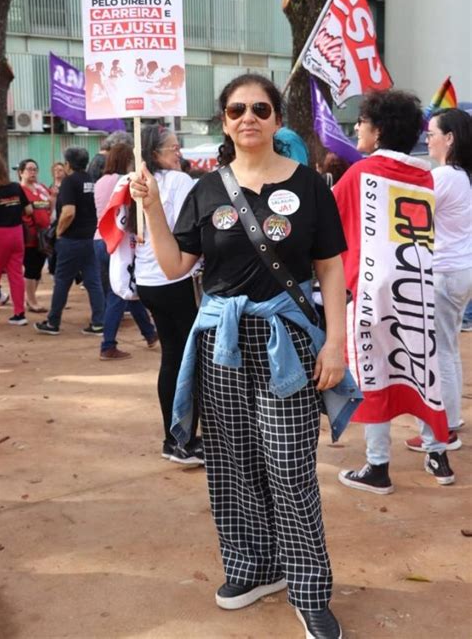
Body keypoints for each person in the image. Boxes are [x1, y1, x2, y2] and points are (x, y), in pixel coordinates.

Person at [130, 74, 351, 639]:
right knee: (230, 467)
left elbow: (330, 268)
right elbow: (178, 266)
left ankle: (309, 588)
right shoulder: (207, 190)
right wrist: (152, 208)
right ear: (223, 121)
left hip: (288, 340)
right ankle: (253, 567)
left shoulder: (309, 185)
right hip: (221, 344)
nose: (247, 117)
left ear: (277, 118)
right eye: (235, 110)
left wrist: (334, 342)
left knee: (289, 466)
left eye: (259, 108)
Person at [333, 89, 452, 493]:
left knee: (375, 372)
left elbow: (330, 225)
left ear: (379, 130)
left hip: (372, 290)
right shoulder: (423, 174)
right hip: (418, 284)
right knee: (422, 365)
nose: (355, 130)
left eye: (361, 123)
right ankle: (438, 451)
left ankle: (378, 466)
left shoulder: (360, 174)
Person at [132, 125, 201, 466]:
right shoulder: (179, 182)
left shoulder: (132, 181)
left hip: (146, 280)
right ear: (155, 152)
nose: (179, 153)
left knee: (172, 358)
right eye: (173, 148)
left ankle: (174, 438)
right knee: (187, 361)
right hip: (176, 278)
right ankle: (183, 441)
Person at [405, 108, 472, 451]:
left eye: (431, 134)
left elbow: (412, 211)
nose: (426, 139)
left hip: (445, 272)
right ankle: (451, 420)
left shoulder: (446, 176)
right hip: (458, 270)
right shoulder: (461, 175)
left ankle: (443, 428)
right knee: (448, 349)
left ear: (450, 138)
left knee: (439, 352)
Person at [94, 143, 157, 360]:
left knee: (129, 290)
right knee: (119, 292)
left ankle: (150, 334)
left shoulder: (101, 181)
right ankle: (107, 345)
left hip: (101, 240)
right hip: (120, 242)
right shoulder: (127, 181)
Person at [34, 147, 105, 336]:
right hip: (90, 238)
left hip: (71, 239)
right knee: (93, 281)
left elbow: (68, 212)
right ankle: (99, 322)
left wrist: (58, 232)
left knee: (62, 281)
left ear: (68, 164)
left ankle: (53, 322)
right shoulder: (90, 180)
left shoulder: (69, 182)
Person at [0, 154, 32, 325]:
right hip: (17, 233)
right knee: (16, 274)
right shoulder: (15, 187)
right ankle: (19, 314)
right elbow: (29, 210)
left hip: (0, 235)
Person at [18, 159, 52, 313]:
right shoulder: (20, 190)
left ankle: (30, 297)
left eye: (35, 169)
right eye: (29, 169)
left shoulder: (42, 188)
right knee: (31, 267)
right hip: (30, 235)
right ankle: (31, 300)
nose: (32, 172)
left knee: (38, 267)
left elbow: (51, 202)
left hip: (45, 234)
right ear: (21, 172)